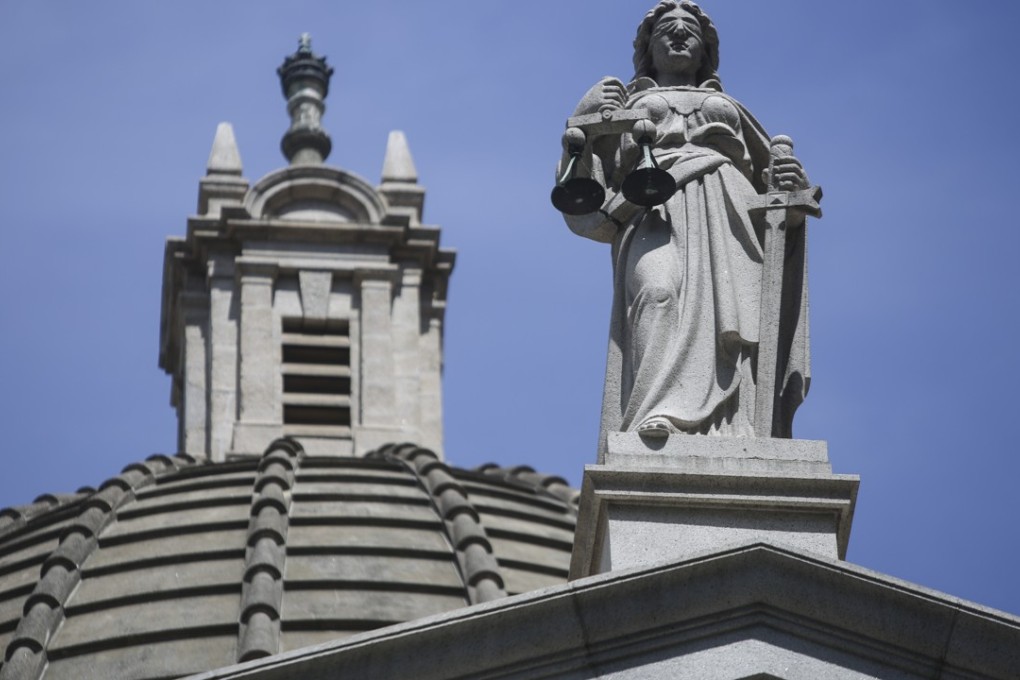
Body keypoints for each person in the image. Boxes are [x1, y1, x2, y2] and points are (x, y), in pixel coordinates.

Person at [559, 1, 811, 449]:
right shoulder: (626, 105)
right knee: (656, 293)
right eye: (666, 30)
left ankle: (737, 426)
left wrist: (789, 191)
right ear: (648, 49)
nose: (678, 35)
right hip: (653, 208)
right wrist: (585, 118)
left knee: (731, 318)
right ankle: (653, 412)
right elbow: (585, 201)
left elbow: (772, 189)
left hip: (728, 210)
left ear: (706, 49)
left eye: (689, 29)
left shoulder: (731, 108)